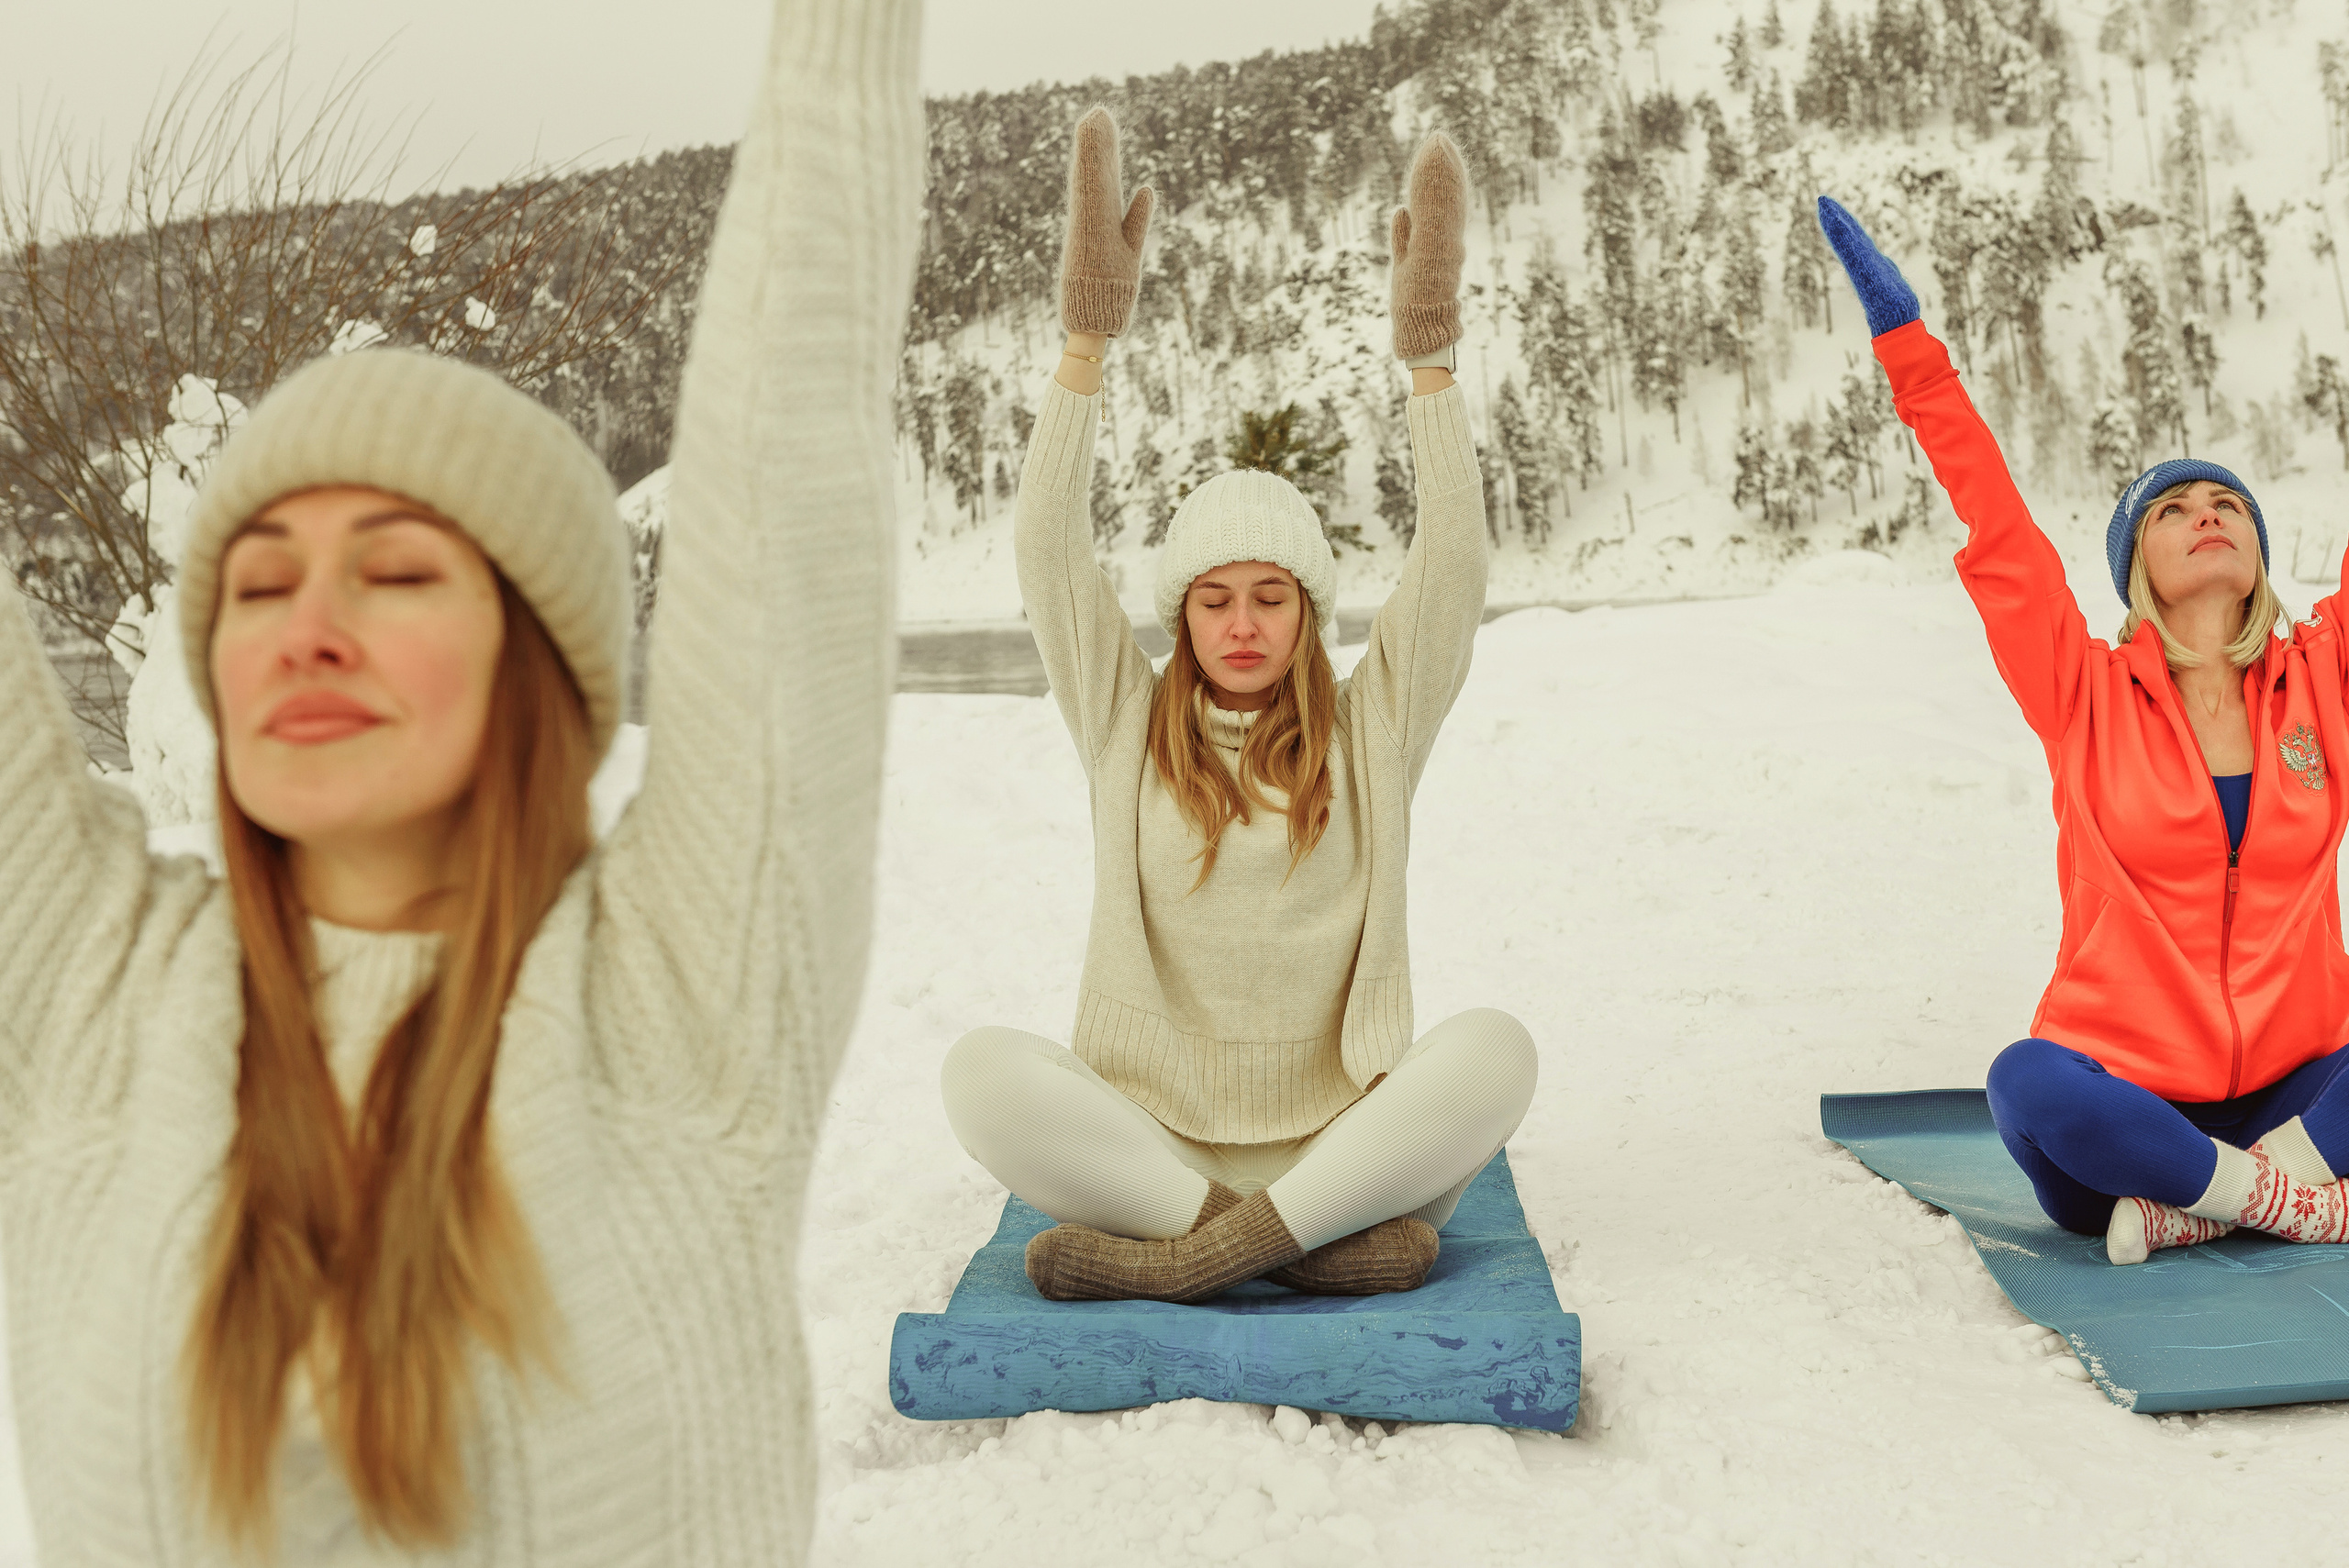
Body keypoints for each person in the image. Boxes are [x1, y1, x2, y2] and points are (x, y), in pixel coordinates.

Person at [0, 0, 922, 1559]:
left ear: (538, 664)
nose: (309, 629)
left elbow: (792, 441)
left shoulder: (679, 1004)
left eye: (400, 570)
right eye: (261, 582)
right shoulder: (87, 1005)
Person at [939, 110, 1538, 1307]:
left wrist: (1428, 361)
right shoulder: (1124, 719)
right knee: (979, 1073)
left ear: (1310, 613)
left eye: (1273, 596)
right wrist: (1082, 345)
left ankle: (1204, 1259)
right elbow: (1049, 548)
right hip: (1152, 1149)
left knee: (1498, 1052)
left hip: (1343, 1150)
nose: (1244, 622)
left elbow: (1456, 566)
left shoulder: (1374, 729)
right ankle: (1283, 1249)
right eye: (1215, 599)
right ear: (1184, 617)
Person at [1818, 196, 2349, 1267]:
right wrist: (1912, 357)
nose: (2206, 512)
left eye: (2226, 503)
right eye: (2171, 508)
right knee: (2024, 1081)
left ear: (2255, 545)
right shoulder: (2083, 691)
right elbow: (1995, 522)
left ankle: (2210, 1201)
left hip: (2299, 1086)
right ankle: (2295, 1196)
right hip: (2130, 1103)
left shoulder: (2321, 681)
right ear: (2134, 569)